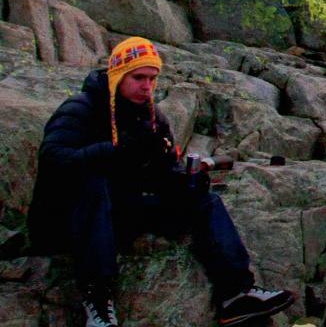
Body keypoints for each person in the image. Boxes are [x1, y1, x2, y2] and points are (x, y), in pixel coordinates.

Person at [28, 37, 295, 327]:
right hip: (65, 221)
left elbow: (163, 173)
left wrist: (187, 183)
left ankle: (236, 293)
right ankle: (98, 300)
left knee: (204, 201)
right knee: (93, 181)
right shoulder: (82, 108)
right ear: (118, 75)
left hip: (117, 215)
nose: (147, 86)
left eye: (152, 78)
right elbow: (53, 159)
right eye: (138, 77)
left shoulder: (152, 119)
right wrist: (115, 151)